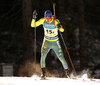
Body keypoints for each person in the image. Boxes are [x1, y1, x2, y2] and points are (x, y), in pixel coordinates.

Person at [31, 10, 69, 79]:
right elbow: (33, 25)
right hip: (47, 42)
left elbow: (62, 30)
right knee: (43, 56)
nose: (47, 20)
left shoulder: (55, 21)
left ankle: (67, 72)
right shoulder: (43, 20)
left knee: (61, 58)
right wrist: (34, 18)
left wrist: (59, 27)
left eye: (48, 18)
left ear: (51, 17)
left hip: (55, 42)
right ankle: (43, 73)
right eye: (46, 18)